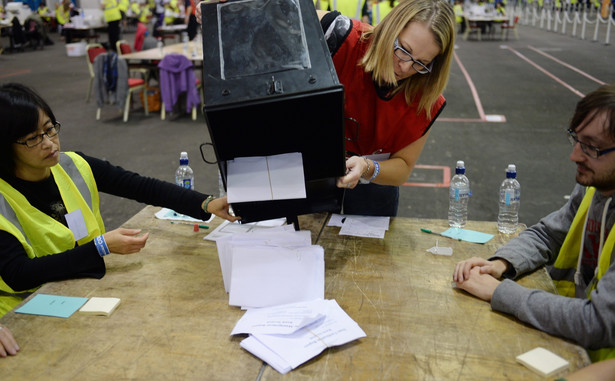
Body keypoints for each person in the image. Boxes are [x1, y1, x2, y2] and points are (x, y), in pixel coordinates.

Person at [196, 0, 455, 217]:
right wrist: (226, 11)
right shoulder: (340, 34)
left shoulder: (425, 96)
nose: (405, 68)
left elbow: (403, 167)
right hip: (309, 180)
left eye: (421, 63)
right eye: (403, 50)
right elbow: (277, 9)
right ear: (389, 28)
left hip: (371, 197)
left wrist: (367, 168)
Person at [0, 83, 240, 318]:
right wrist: (99, 248)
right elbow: (18, 274)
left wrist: (205, 203)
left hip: (84, 288)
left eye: (50, 128)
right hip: (27, 311)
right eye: (33, 138)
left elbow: (140, 186)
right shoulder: (3, 198)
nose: (49, 143)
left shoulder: (72, 165)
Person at [453, 82, 615, 363]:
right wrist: (500, 264)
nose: (574, 155)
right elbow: (549, 234)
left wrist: (501, 293)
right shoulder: (597, 186)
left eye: (591, 147)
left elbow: (597, 322)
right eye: (575, 139)